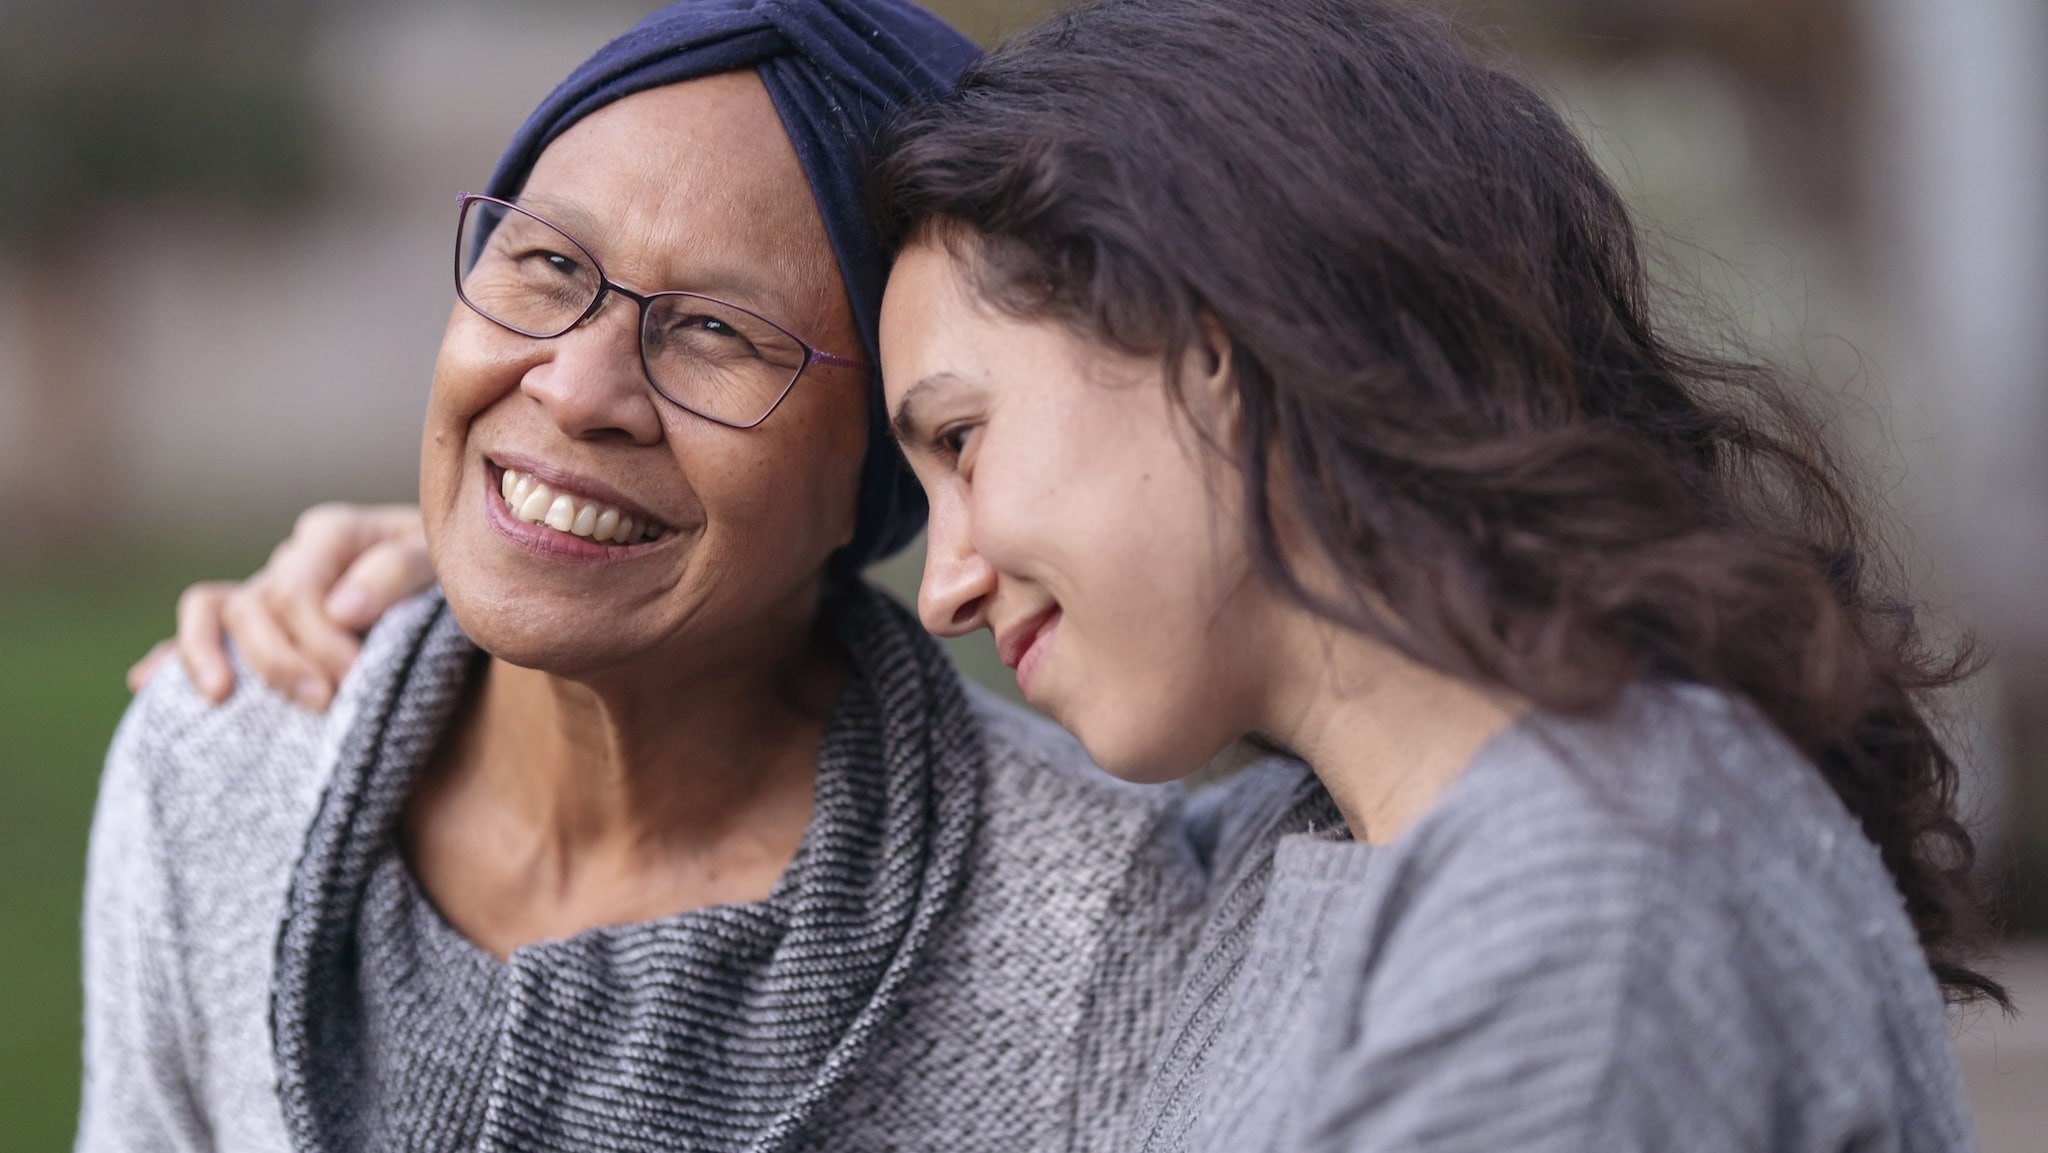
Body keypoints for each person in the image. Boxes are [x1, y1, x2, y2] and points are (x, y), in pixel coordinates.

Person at [178, 0, 2010, 1149]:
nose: (949, 579)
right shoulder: (1368, 850)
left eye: (959, 440)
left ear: (1219, 342)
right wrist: (518, 562)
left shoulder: (1579, 920)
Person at [81, 3, 1323, 1150]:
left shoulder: (1099, 932)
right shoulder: (218, 767)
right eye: (548, 266)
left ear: (875, 466)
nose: (572, 387)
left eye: (720, 332)